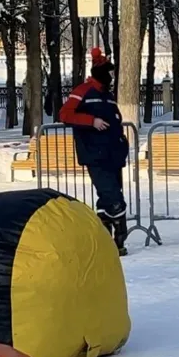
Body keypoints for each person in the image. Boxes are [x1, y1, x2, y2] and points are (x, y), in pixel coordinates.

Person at [59, 47, 131, 255]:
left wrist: (122, 144)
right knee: (113, 197)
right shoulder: (82, 91)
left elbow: (115, 122)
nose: (111, 76)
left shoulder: (107, 95)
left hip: (113, 154)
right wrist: (92, 121)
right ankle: (119, 236)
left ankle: (107, 239)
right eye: (108, 72)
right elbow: (65, 114)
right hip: (94, 153)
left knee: (106, 197)